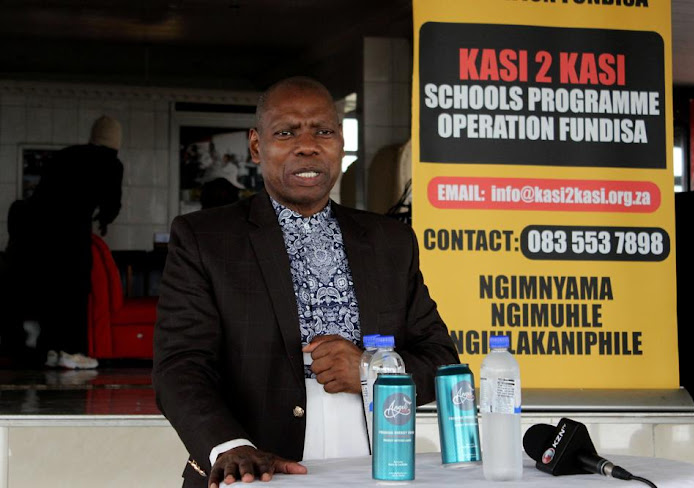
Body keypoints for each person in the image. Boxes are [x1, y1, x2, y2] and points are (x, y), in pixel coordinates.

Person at [152, 76, 459, 488]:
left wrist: (371, 370)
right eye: (286, 132)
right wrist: (230, 447)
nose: (308, 144)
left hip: (376, 471)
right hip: (254, 473)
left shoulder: (390, 241)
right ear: (257, 145)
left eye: (324, 131)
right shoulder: (206, 239)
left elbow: (442, 362)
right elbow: (180, 367)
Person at [4, 115, 124, 369]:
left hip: (33, 229)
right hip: (69, 233)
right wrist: (103, 220)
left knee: (48, 288)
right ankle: (71, 352)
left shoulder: (66, 154)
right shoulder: (111, 162)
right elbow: (111, 205)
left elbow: (42, 192)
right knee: (74, 290)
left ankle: (48, 348)